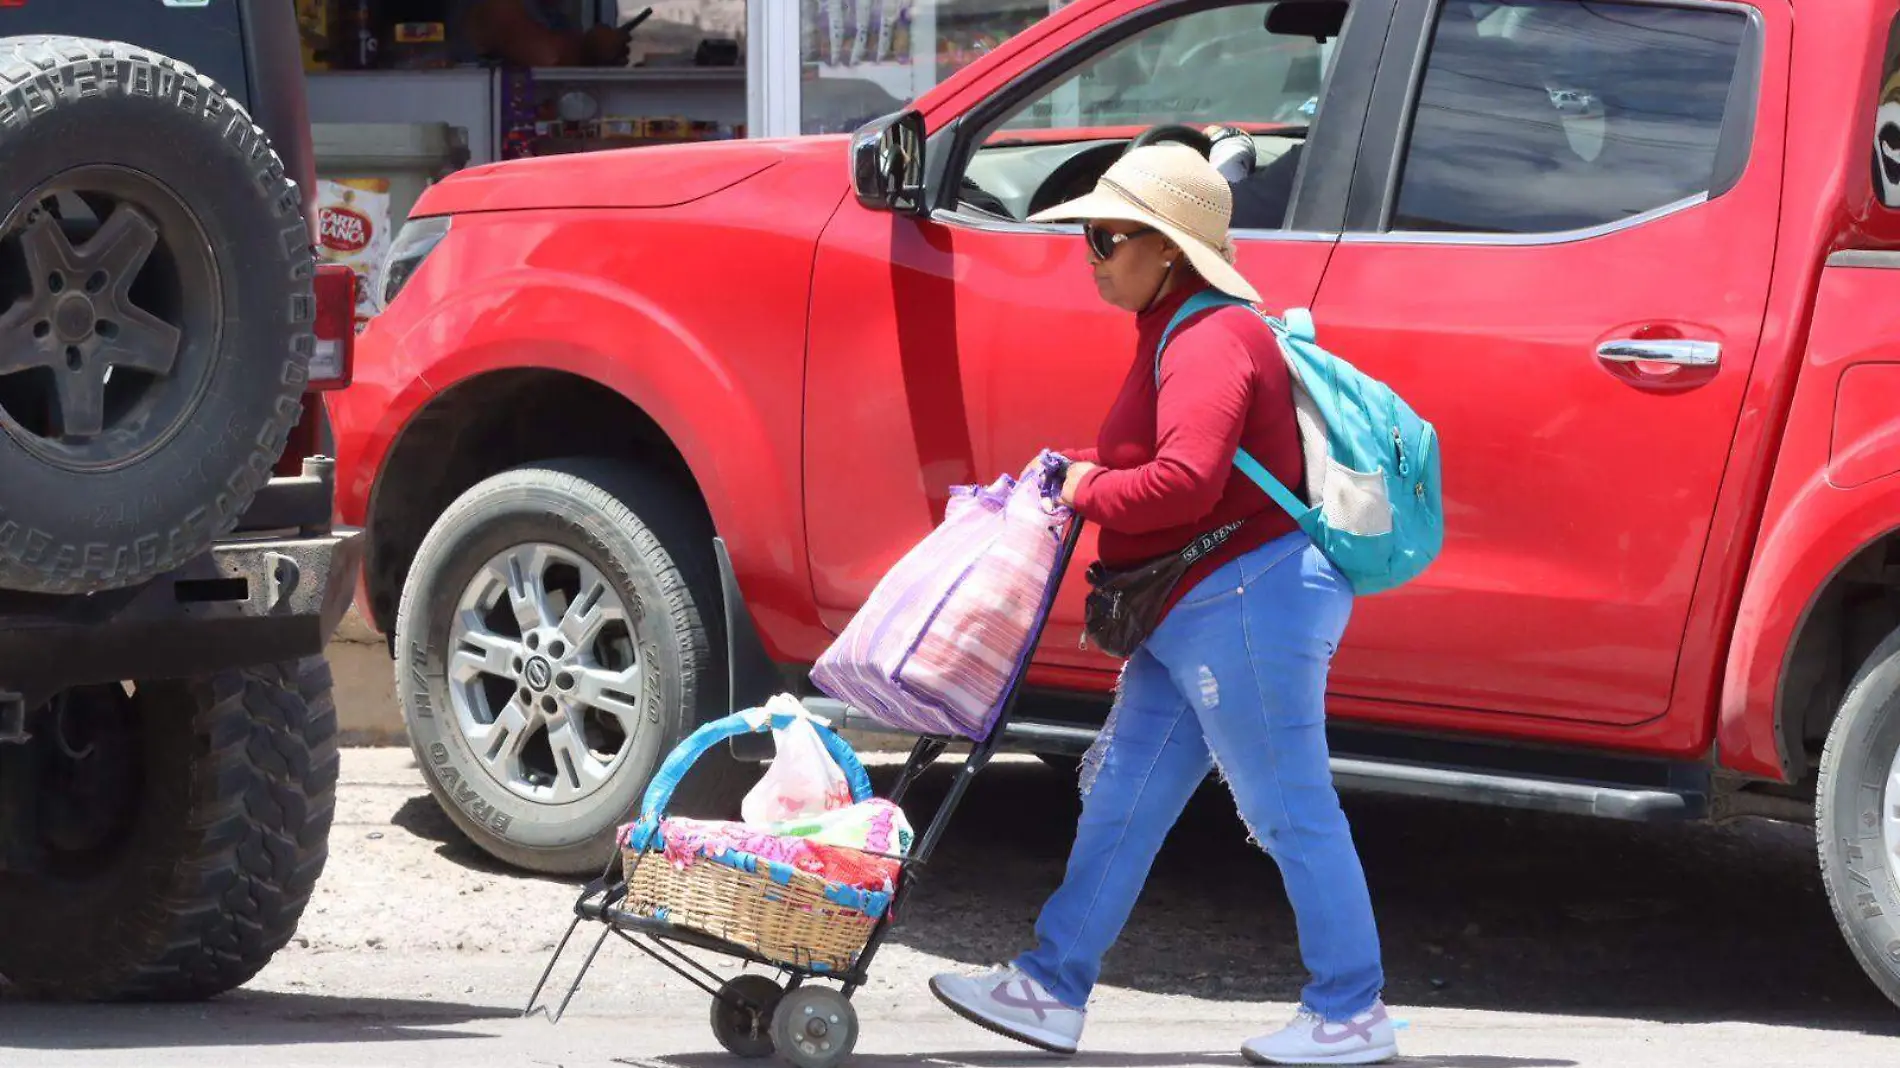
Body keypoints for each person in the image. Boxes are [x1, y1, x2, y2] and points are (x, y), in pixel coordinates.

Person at [926, 143, 1397, 1066]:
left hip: (1246, 605)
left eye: (1106, 238)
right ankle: (1051, 987)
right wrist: (1088, 477)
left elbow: (1183, 483)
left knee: (1288, 808)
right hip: (1194, 608)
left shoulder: (1213, 338)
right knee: (1124, 801)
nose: (1092, 255)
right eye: (1090, 238)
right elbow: (1175, 474)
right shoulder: (1177, 328)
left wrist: (1081, 489)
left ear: (1168, 251)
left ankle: (1352, 1011)